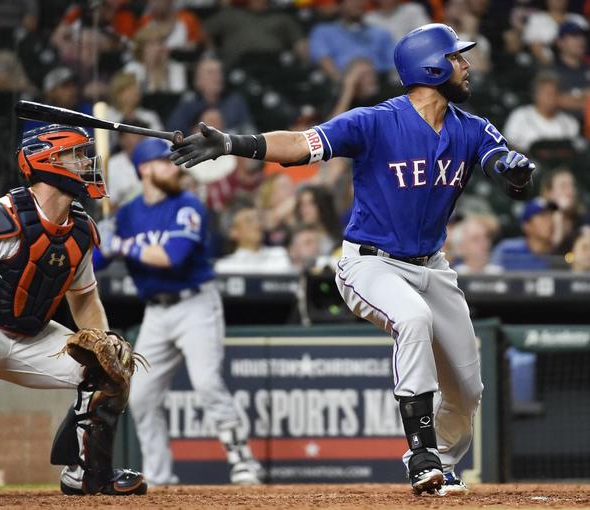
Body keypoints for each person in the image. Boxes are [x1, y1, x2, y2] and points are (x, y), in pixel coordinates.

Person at [170, 23, 536, 496]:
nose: (466, 66)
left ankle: (439, 464)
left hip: (432, 266)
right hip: (371, 262)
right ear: (430, 67)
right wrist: (232, 144)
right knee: (412, 319)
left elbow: (502, 166)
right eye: (457, 58)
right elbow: (301, 145)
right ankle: (420, 451)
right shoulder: (375, 121)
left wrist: (517, 173)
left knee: (467, 392)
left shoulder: (472, 128)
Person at [0, 124, 146, 495]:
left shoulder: (80, 229)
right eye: (77, 155)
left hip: (30, 334)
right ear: (48, 162)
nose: (87, 162)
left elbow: (84, 299)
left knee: (112, 366)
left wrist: (101, 339)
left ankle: (86, 474)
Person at [94, 138, 262, 486]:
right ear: (145, 170)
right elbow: (94, 262)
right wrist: (101, 237)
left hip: (195, 305)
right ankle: (158, 474)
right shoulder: (126, 213)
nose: (174, 168)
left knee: (206, 383)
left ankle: (242, 461)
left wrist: (121, 244)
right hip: (156, 312)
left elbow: (173, 256)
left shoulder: (188, 205)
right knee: (140, 395)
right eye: (164, 163)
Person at [502, 71, 580, 152]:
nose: (551, 98)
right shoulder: (520, 115)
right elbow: (508, 146)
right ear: (536, 95)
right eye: (548, 94)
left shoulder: (570, 122)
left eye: (555, 93)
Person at [215, 203, 294, 274]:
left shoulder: (279, 255)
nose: (257, 224)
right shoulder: (225, 267)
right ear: (233, 232)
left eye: (258, 219)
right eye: (249, 221)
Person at [491, 197, 557, 270]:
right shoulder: (507, 250)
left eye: (551, 216)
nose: (550, 222)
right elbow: (491, 278)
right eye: (543, 216)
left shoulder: (560, 252)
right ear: (527, 225)